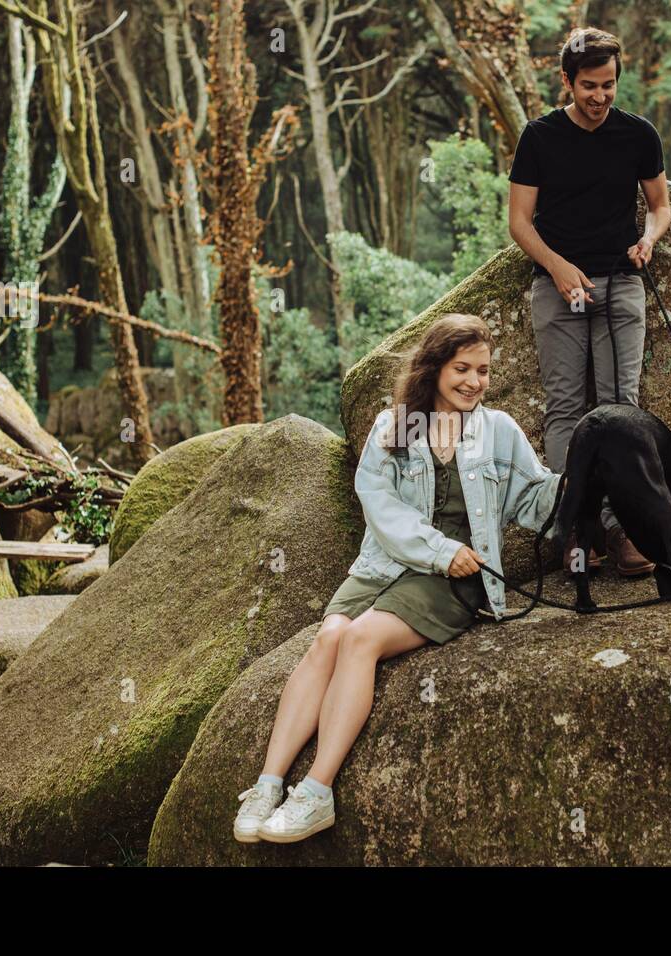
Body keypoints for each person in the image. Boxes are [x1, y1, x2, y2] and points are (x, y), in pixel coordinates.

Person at [233, 313, 562, 844]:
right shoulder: (397, 427)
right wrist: (437, 549)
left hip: (456, 578)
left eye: (483, 370)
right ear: (434, 367)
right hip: (385, 565)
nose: (474, 382)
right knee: (329, 637)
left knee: (360, 638)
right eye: (462, 368)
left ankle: (316, 792)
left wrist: (590, 474)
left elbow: (534, 499)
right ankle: (269, 784)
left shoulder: (497, 429)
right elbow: (381, 508)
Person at [507, 26, 671, 578]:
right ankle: (575, 529)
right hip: (559, 290)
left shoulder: (638, 134)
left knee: (620, 406)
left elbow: (659, 206)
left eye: (608, 85)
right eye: (589, 86)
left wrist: (648, 239)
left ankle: (626, 529)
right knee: (566, 411)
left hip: (621, 284)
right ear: (566, 82)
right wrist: (557, 267)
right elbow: (519, 223)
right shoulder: (540, 137)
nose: (600, 97)